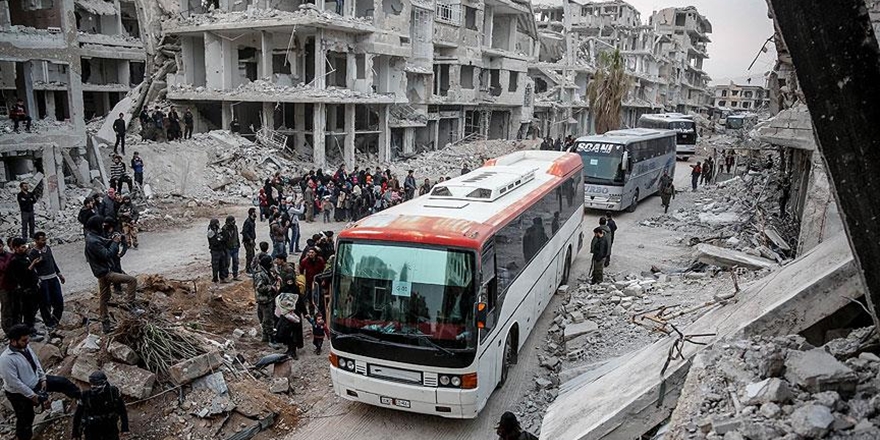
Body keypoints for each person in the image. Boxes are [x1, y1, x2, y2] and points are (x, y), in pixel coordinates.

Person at [0, 324, 81, 440]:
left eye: (27, 339)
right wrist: (33, 396)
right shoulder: (6, 359)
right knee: (26, 419)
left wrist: (43, 378)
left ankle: (83, 399)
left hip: (36, 381)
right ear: (13, 341)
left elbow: (36, 362)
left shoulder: (25, 348)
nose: (27, 342)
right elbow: (14, 382)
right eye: (24, 340)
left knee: (62, 382)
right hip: (19, 393)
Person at [84, 216, 138, 333]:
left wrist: (114, 239)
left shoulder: (91, 237)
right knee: (132, 280)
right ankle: (130, 305)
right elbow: (107, 254)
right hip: (106, 272)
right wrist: (115, 243)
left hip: (100, 272)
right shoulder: (93, 241)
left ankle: (105, 324)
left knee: (104, 298)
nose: (103, 226)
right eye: (101, 224)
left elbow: (103, 242)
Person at [72, 371, 129, 440]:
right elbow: (78, 415)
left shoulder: (113, 393)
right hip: (92, 430)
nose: (95, 387)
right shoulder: (86, 395)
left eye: (97, 384)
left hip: (110, 428)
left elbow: (122, 411)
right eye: (93, 384)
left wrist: (125, 428)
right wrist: (75, 432)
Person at [29, 232, 65, 331]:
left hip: (53, 277)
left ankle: (55, 320)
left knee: (58, 301)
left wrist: (59, 274)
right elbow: (32, 269)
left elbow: (52, 261)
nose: (44, 242)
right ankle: (48, 323)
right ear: (36, 241)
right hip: (43, 280)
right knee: (45, 303)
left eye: (45, 239)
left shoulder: (48, 248)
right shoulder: (33, 253)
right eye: (42, 240)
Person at [7, 238, 41, 339]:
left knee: (32, 311)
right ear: (16, 248)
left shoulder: (25, 257)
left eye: (25, 246)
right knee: (26, 312)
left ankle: (31, 329)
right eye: (22, 247)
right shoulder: (14, 261)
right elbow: (22, 277)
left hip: (32, 288)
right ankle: (27, 333)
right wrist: (32, 265)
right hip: (24, 291)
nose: (25, 248)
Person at [253, 255, 279, 343]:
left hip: (269, 298)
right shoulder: (260, 274)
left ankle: (265, 337)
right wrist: (271, 288)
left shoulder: (266, 271)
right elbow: (260, 288)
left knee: (267, 318)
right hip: (264, 299)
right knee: (267, 319)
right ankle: (270, 339)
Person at [0, 239, 16, 336]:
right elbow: (3, 268)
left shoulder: (9, 255)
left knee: (15, 306)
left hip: (13, 285)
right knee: (6, 307)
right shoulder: (10, 256)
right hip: (3, 286)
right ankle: (8, 330)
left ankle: (15, 326)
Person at [207, 218, 229, 284]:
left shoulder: (218, 230)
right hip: (215, 251)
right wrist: (220, 240)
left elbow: (224, 237)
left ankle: (222, 278)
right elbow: (214, 242)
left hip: (221, 249)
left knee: (222, 264)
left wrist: (221, 239)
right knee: (215, 265)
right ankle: (215, 279)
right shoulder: (210, 232)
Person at [223, 216, 241, 281]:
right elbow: (224, 240)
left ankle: (235, 275)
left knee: (236, 262)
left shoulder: (235, 227)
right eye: (232, 221)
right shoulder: (224, 229)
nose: (234, 222)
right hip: (228, 248)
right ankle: (226, 276)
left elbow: (237, 236)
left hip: (235, 247)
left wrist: (238, 244)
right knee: (227, 263)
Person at [242, 208, 257, 275]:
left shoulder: (252, 221)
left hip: (251, 240)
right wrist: (249, 239)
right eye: (254, 212)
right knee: (249, 255)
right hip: (248, 241)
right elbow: (245, 232)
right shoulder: (248, 222)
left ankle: (251, 267)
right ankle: (248, 269)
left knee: (252, 255)